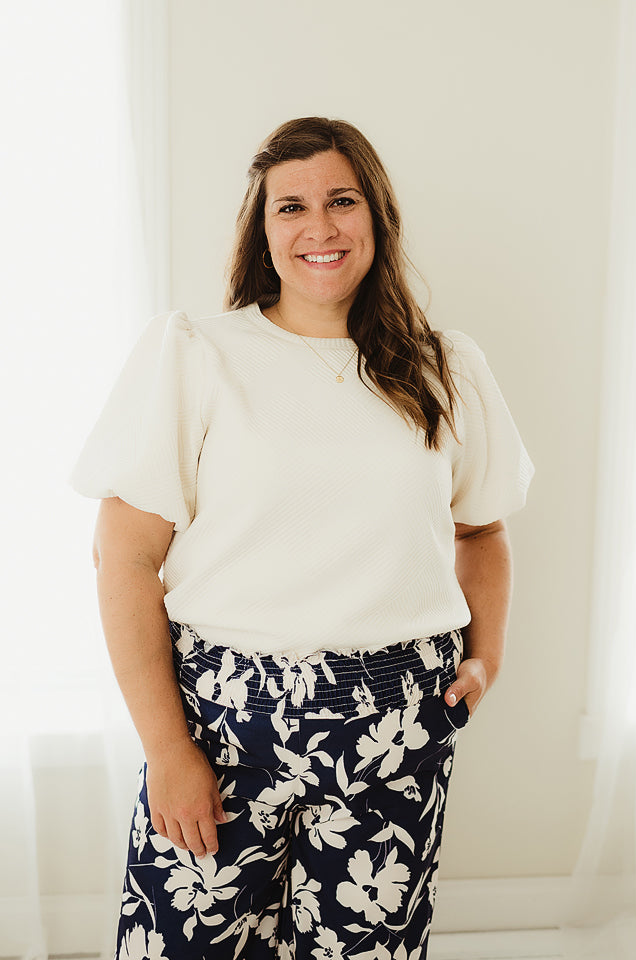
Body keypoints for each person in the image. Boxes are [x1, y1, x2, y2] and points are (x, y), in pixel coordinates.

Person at [71, 116, 534, 960]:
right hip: (223, 724)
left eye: (341, 200)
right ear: (263, 229)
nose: (319, 226)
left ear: (377, 216)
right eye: (291, 207)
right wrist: (167, 748)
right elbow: (125, 557)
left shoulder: (444, 367)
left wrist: (487, 657)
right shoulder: (196, 353)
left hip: (397, 725)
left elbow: (482, 528)